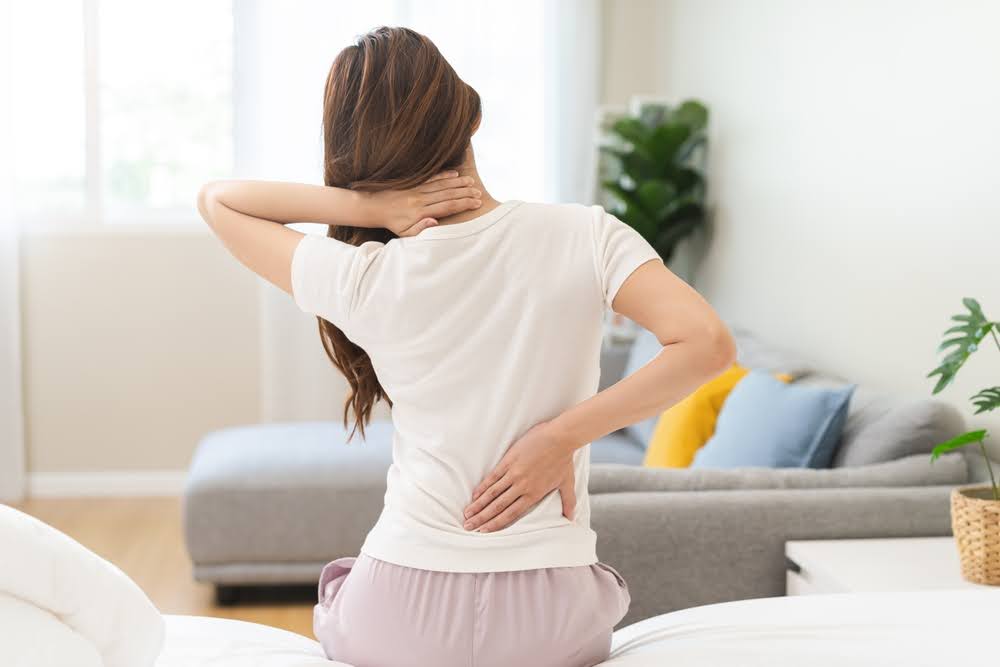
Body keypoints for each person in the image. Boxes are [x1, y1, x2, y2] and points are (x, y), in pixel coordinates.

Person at [197, 25, 735, 667]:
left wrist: (372, 210)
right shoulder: (582, 235)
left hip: (397, 615)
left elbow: (219, 201)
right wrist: (559, 437)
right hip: (550, 620)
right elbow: (705, 344)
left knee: (340, 587)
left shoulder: (365, 275)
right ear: (472, 114)